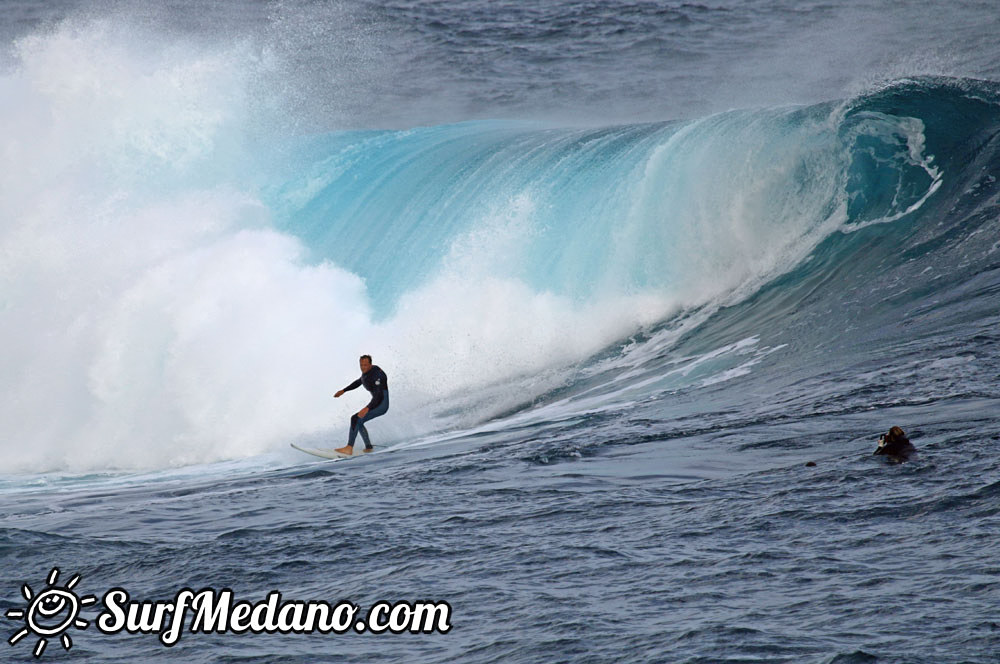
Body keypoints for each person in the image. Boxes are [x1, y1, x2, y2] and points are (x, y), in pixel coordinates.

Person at [334, 355, 389, 454]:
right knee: (359, 421)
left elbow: (379, 395)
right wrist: (344, 390)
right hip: (376, 402)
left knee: (355, 418)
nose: (363, 367)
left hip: (381, 404)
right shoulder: (367, 373)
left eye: (365, 365)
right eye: (361, 365)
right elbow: (360, 381)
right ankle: (368, 447)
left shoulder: (377, 375)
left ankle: (349, 448)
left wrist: (367, 408)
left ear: (370, 364)